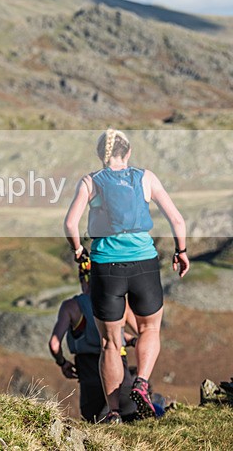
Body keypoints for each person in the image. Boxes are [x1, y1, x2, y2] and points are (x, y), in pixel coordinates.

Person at [64, 129, 190, 423]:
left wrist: (79, 249)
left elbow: (70, 223)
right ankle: (142, 383)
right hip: (143, 263)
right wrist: (180, 251)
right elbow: (177, 219)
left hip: (106, 266)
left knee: (110, 342)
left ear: (100, 155)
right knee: (149, 329)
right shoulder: (146, 177)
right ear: (128, 152)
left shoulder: (90, 181)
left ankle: (114, 412)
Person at [49, 258, 138, 422]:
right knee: (131, 422)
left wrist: (62, 363)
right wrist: (131, 341)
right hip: (119, 369)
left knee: (92, 426)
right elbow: (134, 331)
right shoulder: (118, 302)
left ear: (83, 280)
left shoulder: (71, 307)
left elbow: (54, 344)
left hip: (89, 372)